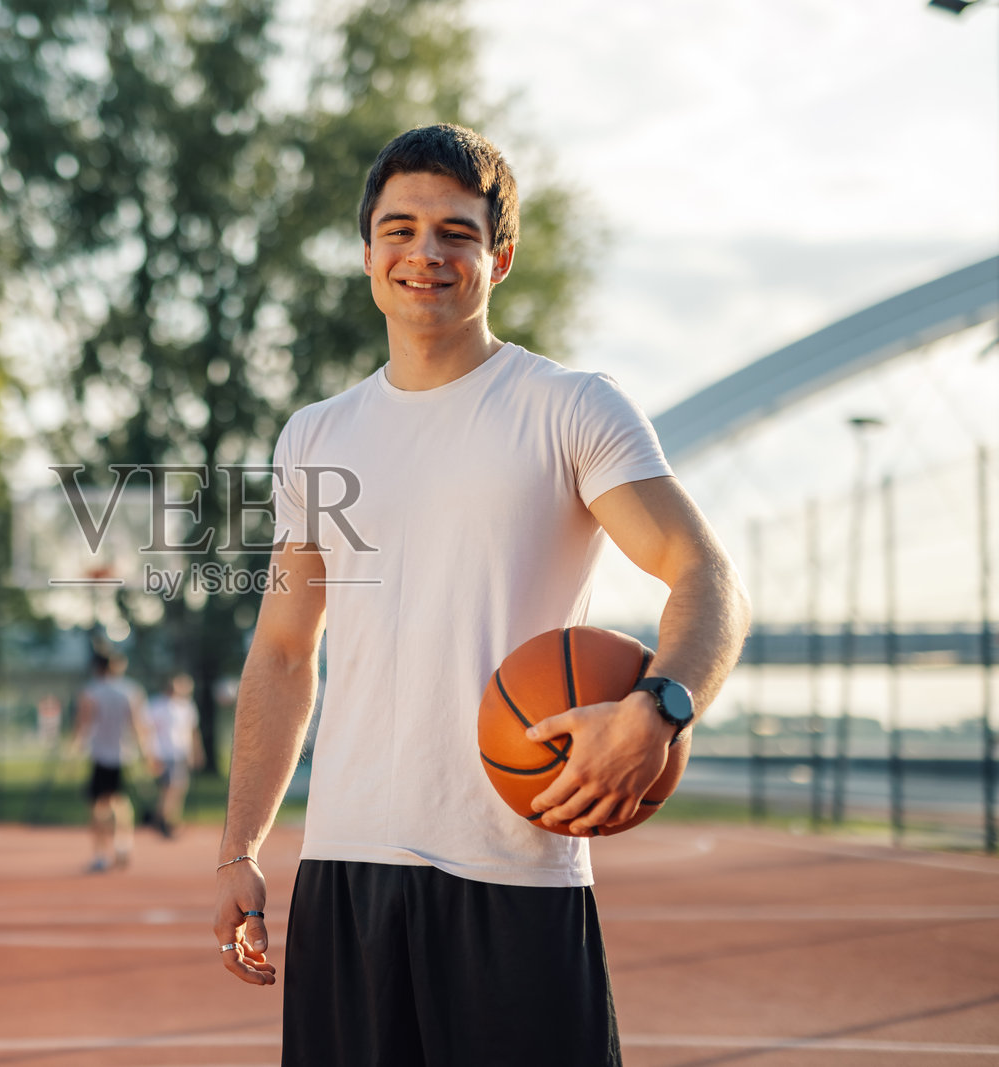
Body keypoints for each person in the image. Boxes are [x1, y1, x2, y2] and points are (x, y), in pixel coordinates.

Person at [212, 124, 751, 1065]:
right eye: (400, 228)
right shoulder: (314, 434)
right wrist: (240, 845)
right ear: (367, 251)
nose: (426, 253)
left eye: (456, 233)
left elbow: (706, 574)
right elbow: (286, 650)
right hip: (346, 871)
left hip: (516, 866)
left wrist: (660, 707)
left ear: (498, 257)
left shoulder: (570, 407)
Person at [72, 649, 156, 872]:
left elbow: (83, 725)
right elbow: (139, 726)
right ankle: (123, 845)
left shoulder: (91, 691)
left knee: (97, 806)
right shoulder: (131, 691)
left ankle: (100, 854)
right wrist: (147, 754)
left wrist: (73, 754)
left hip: (100, 755)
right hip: (123, 755)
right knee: (120, 803)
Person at [143, 673, 206, 837]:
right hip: (164, 753)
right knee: (169, 788)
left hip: (180, 753)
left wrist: (196, 752)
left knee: (179, 788)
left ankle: (167, 819)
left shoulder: (186, 706)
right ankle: (164, 820)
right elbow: (148, 731)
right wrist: (151, 754)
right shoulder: (156, 705)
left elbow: (192, 731)